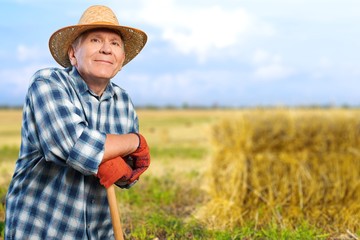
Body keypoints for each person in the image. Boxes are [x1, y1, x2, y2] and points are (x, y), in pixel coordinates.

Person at [5, 5, 150, 239]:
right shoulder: (48, 83)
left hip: (99, 231)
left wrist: (125, 171)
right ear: (73, 54)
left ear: (121, 60)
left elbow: (126, 175)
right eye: (95, 40)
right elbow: (74, 146)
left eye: (115, 44)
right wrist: (135, 141)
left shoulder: (123, 101)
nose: (106, 49)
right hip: (43, 228)